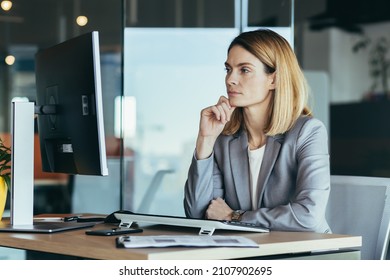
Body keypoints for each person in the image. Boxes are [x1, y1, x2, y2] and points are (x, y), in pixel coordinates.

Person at [183, 28, 331, 233]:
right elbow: (198, 214)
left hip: (303, 254)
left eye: (244, 70)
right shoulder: (224, 139)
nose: (230, 80)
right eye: (228, 69)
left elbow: (309, 217)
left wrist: (234, 216)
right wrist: (205, 140)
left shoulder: (308, 132)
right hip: (248, 251)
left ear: (274, 79)